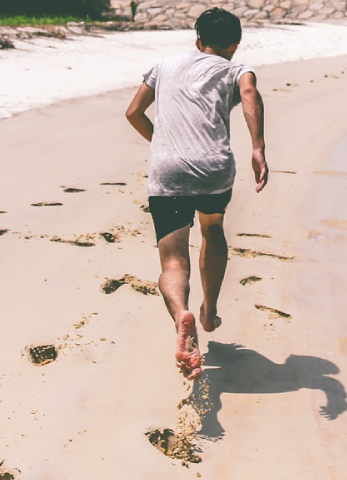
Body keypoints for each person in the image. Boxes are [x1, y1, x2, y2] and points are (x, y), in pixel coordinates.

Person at [124, 7, 267, 380]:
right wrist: (258, 147)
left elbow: (133, 112)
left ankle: (181, 315)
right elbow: (249, 91)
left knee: (172, 262)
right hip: (213, 171)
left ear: (197, 38)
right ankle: (208, 312)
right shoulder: (237, 69)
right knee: (212, 230)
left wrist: (164, 145)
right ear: (235, 45)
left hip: (169, 172)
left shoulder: (165, 65)